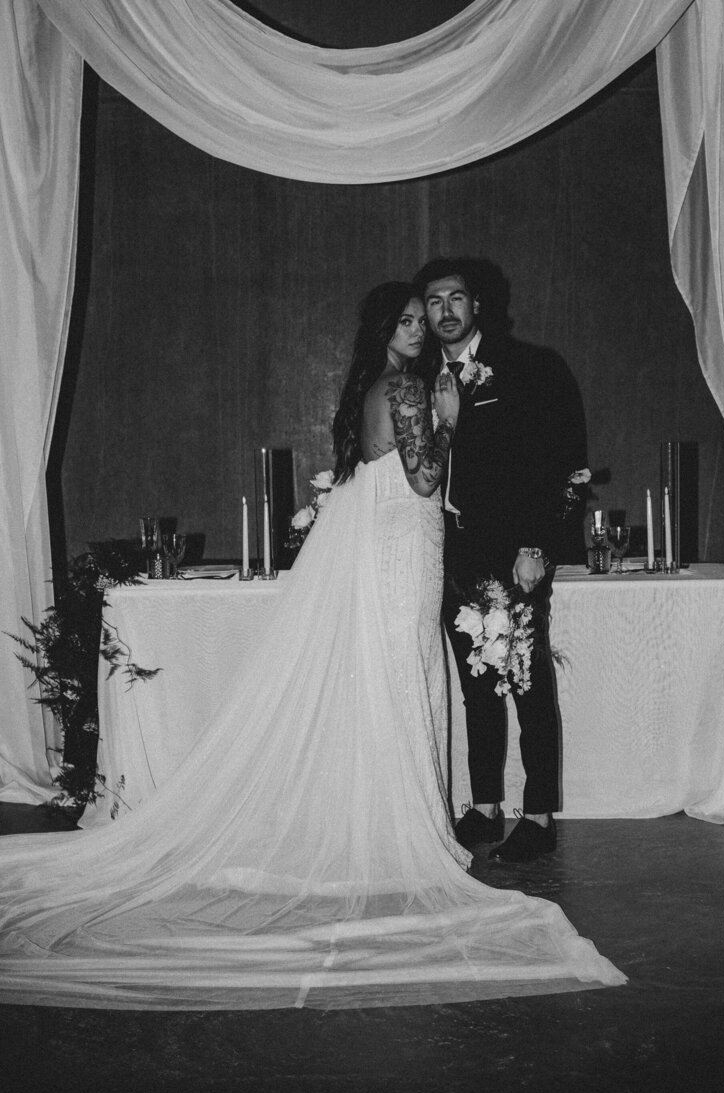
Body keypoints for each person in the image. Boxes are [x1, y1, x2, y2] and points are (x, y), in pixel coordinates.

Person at [0, 282, 621, 1010]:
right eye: (409, 320)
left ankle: (400, 818)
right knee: (401, 674)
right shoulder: (407, 389)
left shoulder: (378, 383)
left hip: (400, 546)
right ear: (386, 330)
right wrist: (448, 421)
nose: (420, 329)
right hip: (404, 549)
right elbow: (424, 478)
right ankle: (398, 831)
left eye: (426, 319)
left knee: (397, 673)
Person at [413, 257, 588, 863]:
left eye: (456, 298)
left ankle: (537, 814)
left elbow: (558, 462)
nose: (446, 311)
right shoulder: (420, 376)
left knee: (526, 679)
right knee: (475, 683)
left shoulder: (528, 368)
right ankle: (485, 806)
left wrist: (537, 546)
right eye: (434, 302)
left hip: (515, 550)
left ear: (478, 304)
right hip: (449, 547)